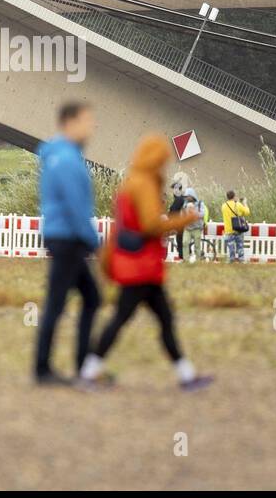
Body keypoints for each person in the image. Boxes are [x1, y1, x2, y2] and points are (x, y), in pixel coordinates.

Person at [79, 134, 213, 392]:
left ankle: (186, 375)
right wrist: (183, 221)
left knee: (160, 318)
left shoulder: (130, 183)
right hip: (140, 268)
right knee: (125, 318)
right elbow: (151, 224)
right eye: (162, 161)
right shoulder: (144, 185)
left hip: (137, 267)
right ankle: (89, 371)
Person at [33, 101, 102, 385]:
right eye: (87, 121)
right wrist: (94, 242)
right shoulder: (67, 158)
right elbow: (75, 205)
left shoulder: (57, 155)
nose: (92, 128)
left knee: (87, 298)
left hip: (62, 235)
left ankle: (76, 366)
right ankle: (47, 369)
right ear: (70, 122)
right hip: (68, 237)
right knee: (59, 302)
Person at [221, 190, 250, 262]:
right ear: (234, 196)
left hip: (228, 230)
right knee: (240, 246)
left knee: (231, 246)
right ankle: (241, 260)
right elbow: (247, 212)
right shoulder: (238, 204)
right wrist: (245, 203)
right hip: (238, 229)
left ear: (227, 197)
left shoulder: (224, 206)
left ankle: (231, 260)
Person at [181, 187, 208, 262]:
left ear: (192, 195)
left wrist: (193, 212)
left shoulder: (200, 203)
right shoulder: (185, 204)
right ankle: (186, 260)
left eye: (187, 196)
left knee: (197, 245)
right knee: (185, 242)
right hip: (187, 228)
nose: (186, 198)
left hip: (197, 228)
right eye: (185, 196)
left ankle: (198, 260)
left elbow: (202, 214)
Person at [168, 183, 187, 259]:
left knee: (180, 240)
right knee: (181, 240)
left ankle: (182, 256)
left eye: (174, 189)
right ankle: (184, 255)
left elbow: (174, 211)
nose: (173, 191)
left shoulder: (178, 199)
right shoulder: (182, 198)